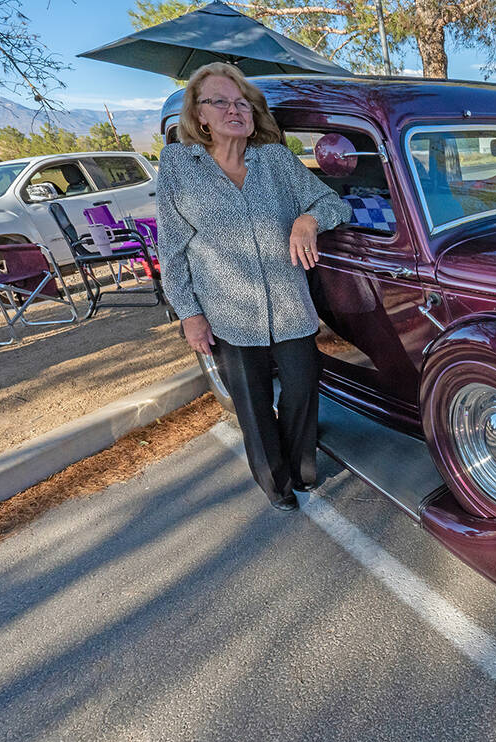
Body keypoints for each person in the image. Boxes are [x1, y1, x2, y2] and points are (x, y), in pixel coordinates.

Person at [158, 62, 351, 511]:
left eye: (241, 102)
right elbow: (171, 248)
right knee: (254, 406)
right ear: (199, 115)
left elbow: (331, 201)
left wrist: (307, 220)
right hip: (227, 314)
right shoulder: (177, 167)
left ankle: (302, 470)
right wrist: (189, 314)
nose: (234, 109)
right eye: (220, 101)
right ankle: (277, 486)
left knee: (303, 391)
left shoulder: (275, 161)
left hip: (289, 307)